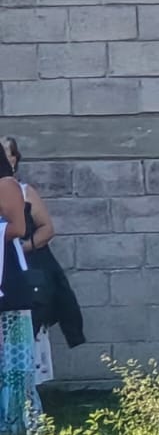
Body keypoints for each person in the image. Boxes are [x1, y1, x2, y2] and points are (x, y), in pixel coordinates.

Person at [2, 137, 84, 352]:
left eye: (5, 152)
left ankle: (24, 381)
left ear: (13, 159)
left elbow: (46, 228)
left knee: (24, 331)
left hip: (23, 267)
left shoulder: (23, 191)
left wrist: (24, 246)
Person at [0, 151, 38, 435]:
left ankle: (13, 425)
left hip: (7, 279)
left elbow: (19, 227)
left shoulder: (6, 185)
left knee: (10, 362)